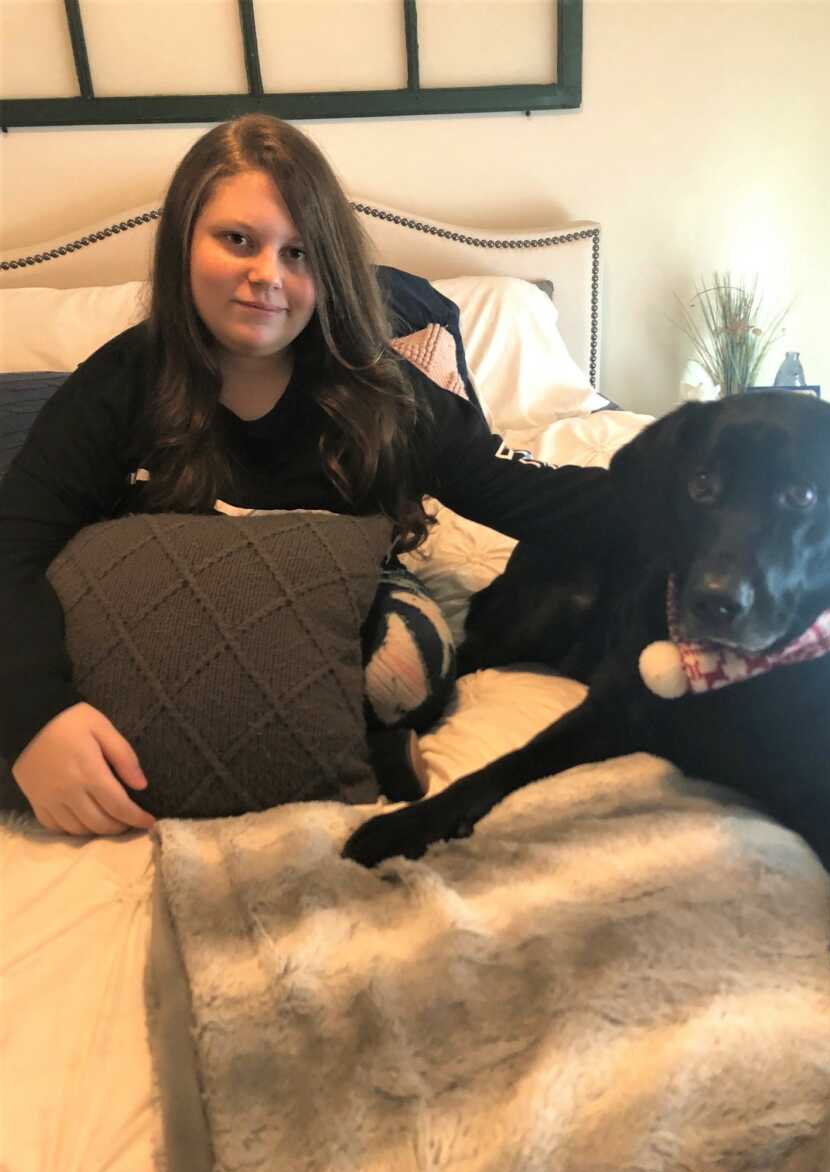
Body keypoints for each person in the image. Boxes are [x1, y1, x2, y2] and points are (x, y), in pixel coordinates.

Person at [0, 114, 611, 837]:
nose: (268, 276)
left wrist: (688, 492)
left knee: (402, 668)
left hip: (335, 616)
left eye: (300, 253)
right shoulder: (121, 382)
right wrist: (33, 718)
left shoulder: (378, 388)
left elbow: (524, 493)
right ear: (183, 243)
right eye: (237, 240)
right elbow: (13, 544)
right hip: (171, 615)